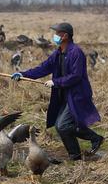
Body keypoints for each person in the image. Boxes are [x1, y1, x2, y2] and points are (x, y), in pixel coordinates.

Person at [11, 22, 103, 161]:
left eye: (57, 33)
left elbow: (76, 76)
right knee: (62, 126)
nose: (54, 36)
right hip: (64, 96)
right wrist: (23, 74)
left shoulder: (76, 53)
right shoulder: (58, 53)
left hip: (77, 95)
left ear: (65, 36)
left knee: (63, 125)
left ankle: (89, 143)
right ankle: (77, 154)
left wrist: (56, 82)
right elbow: (43, 68)